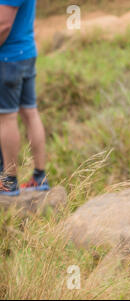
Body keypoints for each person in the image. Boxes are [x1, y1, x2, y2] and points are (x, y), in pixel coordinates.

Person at [0, 0, 49, 196]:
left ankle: (8, 181)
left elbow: (3, 25)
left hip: (8, 58)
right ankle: (40, 177)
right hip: (26, 53)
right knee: (30, 112)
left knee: (6, 117)